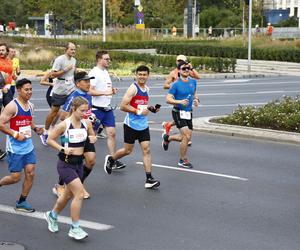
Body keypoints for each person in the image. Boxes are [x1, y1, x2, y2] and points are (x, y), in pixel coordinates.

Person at [45, 96, 97, 240]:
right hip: (65, 165)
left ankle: (52, 215)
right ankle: (75, 228)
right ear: (73, 109)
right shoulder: (65, 124)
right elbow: (49, 139)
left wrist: (93, 138)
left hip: (78, 164)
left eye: (86, 111)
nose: (84, 113)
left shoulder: (86, 123)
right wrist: (62, 148)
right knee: (79, 194)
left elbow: (92, 135)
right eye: (82, 111)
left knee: (67, 195)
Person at [103, 65, 160, 189]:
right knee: (127, 151)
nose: (142, 77)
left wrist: (152, 109)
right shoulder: (132, 89)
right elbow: (123, 106)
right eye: (139, 74)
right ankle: (112, 159)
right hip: (131, 125)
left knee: (147, 150)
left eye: (144, 74)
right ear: (136, 75)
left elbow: (142, 105)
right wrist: (138, 112)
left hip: (143, 125)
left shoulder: (147, 89)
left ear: (148, 76)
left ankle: (149, 178)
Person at [0, 78, 43, 212]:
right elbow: (0, 124)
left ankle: (21, 202)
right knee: (15, 178)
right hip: (15, 148)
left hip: (28, 146)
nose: (29, 92)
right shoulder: (12, 106)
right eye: (26, 89)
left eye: (31, 89)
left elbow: (28, 121)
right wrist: (15, 134)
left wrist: (36, 129)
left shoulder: (31, 106)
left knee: (30, 174)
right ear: (18, 90)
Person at [52, 71, 96, 199]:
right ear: (78, 83)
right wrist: (65, 140)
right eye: (86, 81)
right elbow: (62, 117)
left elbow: (87, 113)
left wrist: (89, 118)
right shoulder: (73, 97)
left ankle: (78, 184)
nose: (89, 83)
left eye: (89, 81)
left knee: (91, 160)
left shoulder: (87, 96)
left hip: (85, 133)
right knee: (70, 161)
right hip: (71, 133)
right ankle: (60, 185)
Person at [88, 50, 125, 170]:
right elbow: (90, 91)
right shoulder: (94, 72)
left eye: (109, 59)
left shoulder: (105, 72)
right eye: (106, 59)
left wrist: (111, 90)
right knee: (89, 135)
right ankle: (79, 156)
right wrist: (105, 92)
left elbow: (106, 88)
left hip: (107, 108)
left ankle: (112, 159)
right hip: (96, 109)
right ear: (99, 60)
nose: (109, 61)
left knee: (112, 133)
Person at [162, 61, 199, 168]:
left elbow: (194, 92)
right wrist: (179, 102)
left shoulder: (193, 82)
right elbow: (168, 99)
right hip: (178, 112)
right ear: (179, 71)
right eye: (184, 68)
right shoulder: (175, 84)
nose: (186, 70)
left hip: (188, 112)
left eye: (188, 68)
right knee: (186, 136)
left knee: (185, 138)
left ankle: (167, 138)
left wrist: (196, 99)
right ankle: (182, 160)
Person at [40, 42, 77, 146]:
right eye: (71, 49)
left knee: (70, 112)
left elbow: (73, 74)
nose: (73, 51)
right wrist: (65, 70)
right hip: (59, 89)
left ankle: (66, 136)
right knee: (54, 111)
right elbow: (53, 74)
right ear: (66, 49)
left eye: (74, 49)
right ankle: (45, 132)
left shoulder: (74, 60)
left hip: (71, 89)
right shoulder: (60, 60)